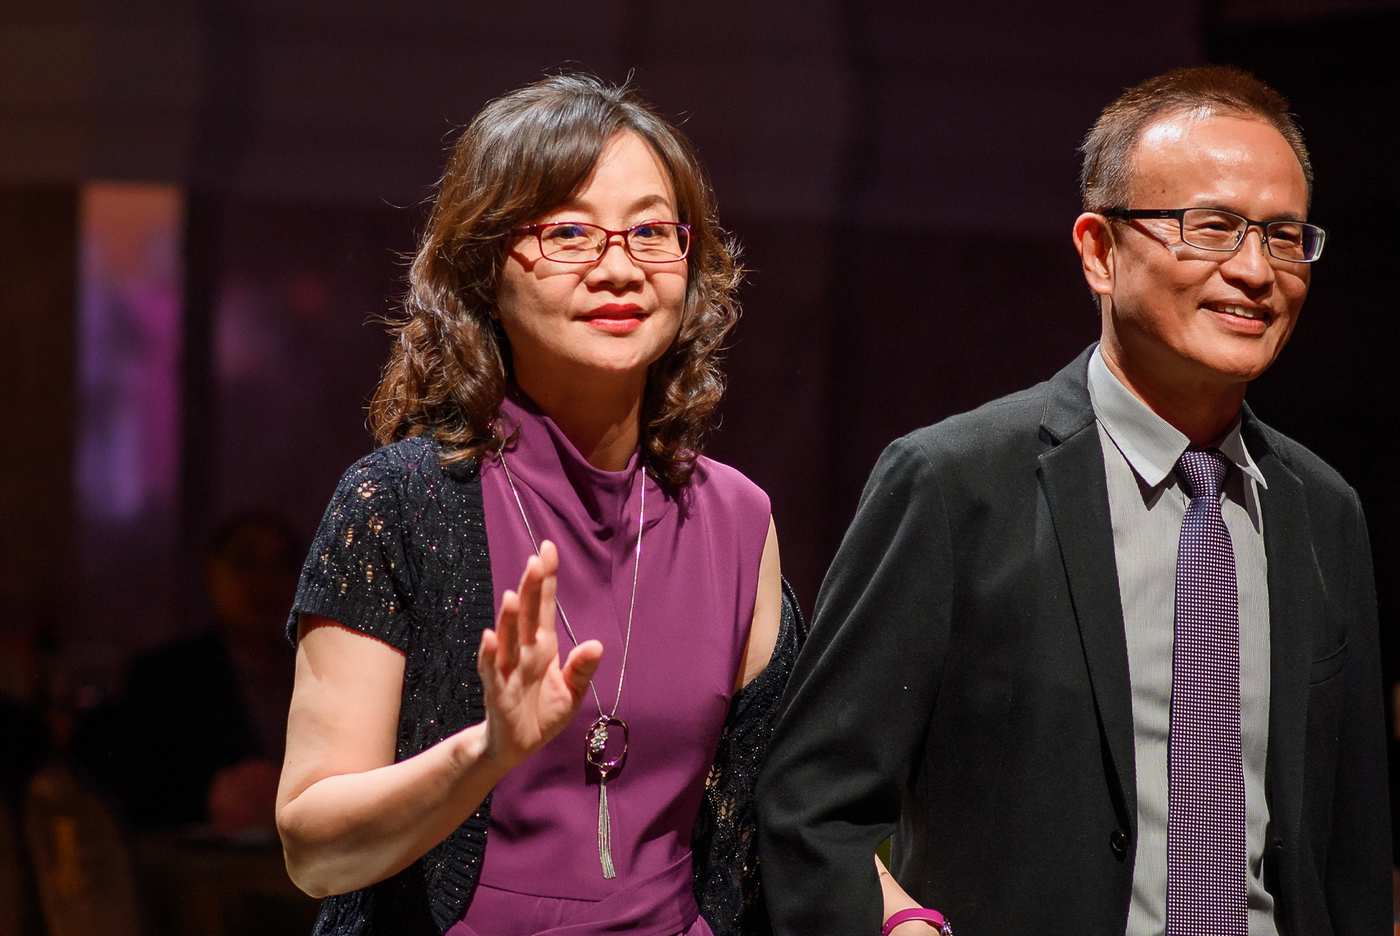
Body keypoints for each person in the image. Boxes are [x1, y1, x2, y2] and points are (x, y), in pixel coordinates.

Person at [275, 74, 930, 936]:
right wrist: (487, 751)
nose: (619, 268)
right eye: (569, 233)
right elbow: (314, 852)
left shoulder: (736, 518)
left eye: (652, 231)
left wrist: (903, 920)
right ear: (484, 265)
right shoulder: (397, 502)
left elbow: (791, 803)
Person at [758, 65, 1389, 935]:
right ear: (1099, 250)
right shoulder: (953, 485)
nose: (1255, 270)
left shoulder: (1323, 509)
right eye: (1212, 228)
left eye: (1284, 237)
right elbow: (809, 806)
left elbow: (1353, 854)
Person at [74, 512, 299, 833]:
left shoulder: (316, 670)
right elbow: (131, 781)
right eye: (245, 563)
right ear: (212, 574)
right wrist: (210, 797)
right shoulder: (165, 676)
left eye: (281, 566)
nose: (265, 582)